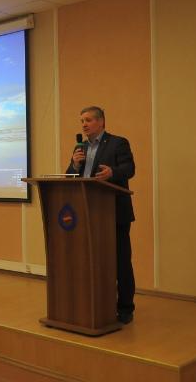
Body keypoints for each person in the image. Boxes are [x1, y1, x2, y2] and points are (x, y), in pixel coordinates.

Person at [65, 106, 136, 324]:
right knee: (92, 261)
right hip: (87, 213)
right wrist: (74, 164)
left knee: (120, 261)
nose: (84, 125)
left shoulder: (117, 143)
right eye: (81, 121)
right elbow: (70, 177)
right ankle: (98, 303)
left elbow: (129, 169)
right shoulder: (81, 148)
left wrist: (112, 172)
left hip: (113, 212)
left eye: (88, 120)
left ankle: (125, 308)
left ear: (101, 121)